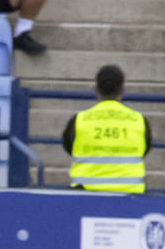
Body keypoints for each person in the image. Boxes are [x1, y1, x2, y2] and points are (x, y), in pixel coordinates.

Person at [62, 65, 152, 193]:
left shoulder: (79, 120)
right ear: (122, 89)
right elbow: (144, 150)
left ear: (96, 89)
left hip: (84, 195)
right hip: (129, 196)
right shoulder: (139, 120)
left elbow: (69, 148)